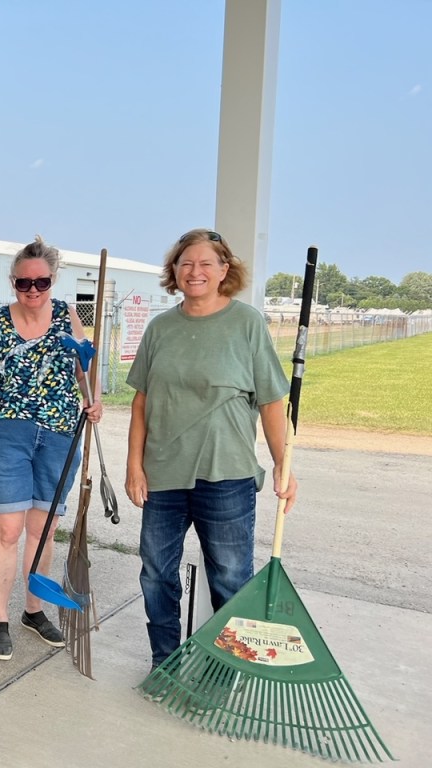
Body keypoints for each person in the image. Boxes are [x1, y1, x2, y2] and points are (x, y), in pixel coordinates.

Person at [124, 228, 297, 671]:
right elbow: (141, 402)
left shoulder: (247, 323)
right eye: (186, 263)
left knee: (231, 578)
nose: (195, 271)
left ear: (224, 270)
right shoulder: (161, 328)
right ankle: (165, 662)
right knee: (156, 575)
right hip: (163, 474)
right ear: (174, 272)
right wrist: (134, 466)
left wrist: (284, 464)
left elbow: (272, 402)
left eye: (205, 263)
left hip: (228, 475)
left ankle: (226, 668)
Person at [0, 236, 103, 661]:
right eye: (24, 283)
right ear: (13, 283)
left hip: (59, 435)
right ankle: (1, 618)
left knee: (42, 532)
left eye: (41, 283)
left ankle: (34, 610)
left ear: (53, 280)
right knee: (7, 530)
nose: (33, 291)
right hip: (6, 433)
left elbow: (83, 367)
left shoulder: (67, 316)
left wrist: (92, 398)